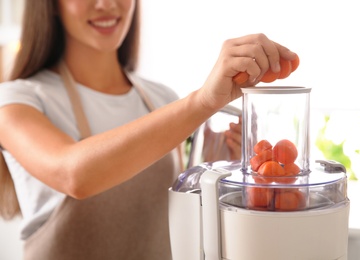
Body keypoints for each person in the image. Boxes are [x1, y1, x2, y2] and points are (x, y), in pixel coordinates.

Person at [0, 0, 298, 259]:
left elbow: (172, 214)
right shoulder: (18, 99)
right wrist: (202, 101)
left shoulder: (160, 99)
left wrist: (214, 163)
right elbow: (74, 174)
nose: (106, 3)